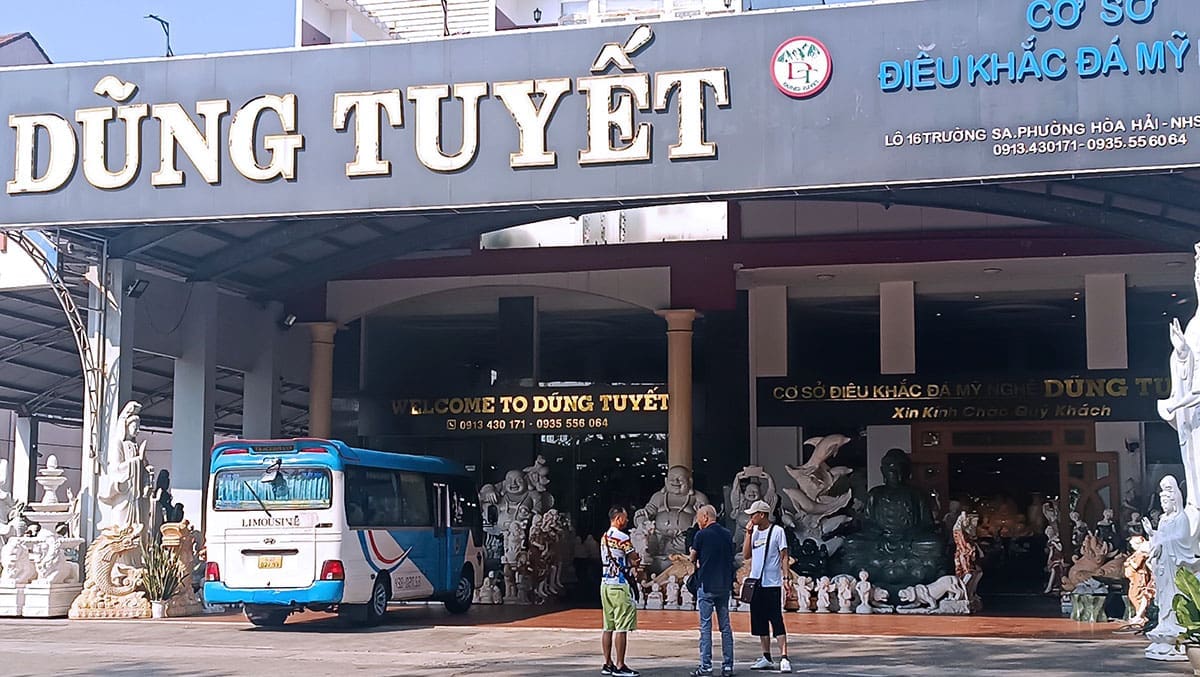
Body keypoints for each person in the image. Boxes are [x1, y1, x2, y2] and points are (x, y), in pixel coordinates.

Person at [742, 500, 791, 673]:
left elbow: (784, 555)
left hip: (772, 583)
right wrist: (748, 533)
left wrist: (786, 578)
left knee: (776, 619)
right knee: (759, 620)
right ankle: (766, 655)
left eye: (753, 514)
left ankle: (784, 656)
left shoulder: (777, 531)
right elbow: (746, 554)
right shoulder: (753, 531)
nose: (751, 517)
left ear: (762, 514)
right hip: (756, 582)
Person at [689, 504, 735, 677]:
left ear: (706, 516)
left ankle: (706, 666)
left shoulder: (701, 535)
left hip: (706, 585)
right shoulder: (727, 534)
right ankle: (728, 665)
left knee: (706, 627)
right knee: (725, 627)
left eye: (699, 518)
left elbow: (693, 557)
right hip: (724, 585)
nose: (698, 521)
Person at [600, 506, 641, 677]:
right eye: (625, 517)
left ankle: (607, 663)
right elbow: (634, 558)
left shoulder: (604, 537)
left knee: (608, 626)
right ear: (617, 518)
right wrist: (637, 562)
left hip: (605, 584)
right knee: (621, 626)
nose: (627, 520)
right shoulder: (623, 538)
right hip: (619, 584)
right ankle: (620, 665)